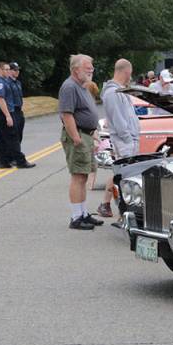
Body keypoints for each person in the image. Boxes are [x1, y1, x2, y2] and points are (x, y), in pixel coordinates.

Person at [58, 54, 104, 230]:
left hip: (86, 135)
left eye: (92, 67)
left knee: (84, 175)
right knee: (78, 176)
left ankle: (83, 213)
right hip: (78, 136)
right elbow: (66, 114)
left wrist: (92, 133)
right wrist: (76, 138)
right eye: (87, 68)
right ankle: (76, 217)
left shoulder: (82, 85)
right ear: (76, 69)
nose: (91, 70)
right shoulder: (69, 87)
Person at [97, 58, 142, 217]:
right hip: (124, 140)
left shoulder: (119, 91)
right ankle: (122, 209)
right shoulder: (112, 93)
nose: (131, 76)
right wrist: (128, 138)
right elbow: (118, 119)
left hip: (127, 139)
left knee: (119, 172)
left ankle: (106, 205)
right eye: (131, 73)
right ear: (127, 72)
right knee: (124, 176)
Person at [0, 62, 31, 169]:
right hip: (2, 113)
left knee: (2, 138)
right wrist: (8, 116)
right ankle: (20, 161)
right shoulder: (0, 83)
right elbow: (0, 99)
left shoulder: (2, 81)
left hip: (0, 113)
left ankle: (4, 161)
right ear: (0, 70)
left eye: (9, 69)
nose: (9, 72)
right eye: (6, 70)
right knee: (13, 137)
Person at [6, 62, 34, 166]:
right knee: (13, 135)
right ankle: (13, 158)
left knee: (19, 135)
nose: (17, 72)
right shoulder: (7, 83)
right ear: (10, 71)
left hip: (19, 110)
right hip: (12, 110)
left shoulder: (18, 83)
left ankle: (14, 156)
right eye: (15, 70)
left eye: (18, 70)